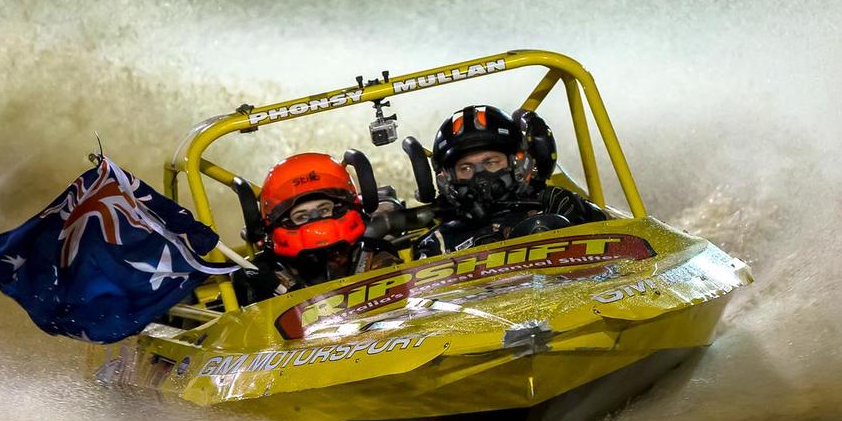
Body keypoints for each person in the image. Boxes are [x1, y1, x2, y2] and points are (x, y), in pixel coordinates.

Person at [416, 105, 606, 256]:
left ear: (517, 163)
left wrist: (578, 218)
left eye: (490, 162)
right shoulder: (439, 242)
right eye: (466, 168)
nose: (480, 177)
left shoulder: (556, 203)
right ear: (448, 178)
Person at [233, 152, 398, 304]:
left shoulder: (376, 252)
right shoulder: (263, 274)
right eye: (301, 216)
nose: (315, 219)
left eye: (323, 210)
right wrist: (257, 292)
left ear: (341, 207)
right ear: (282, 222)